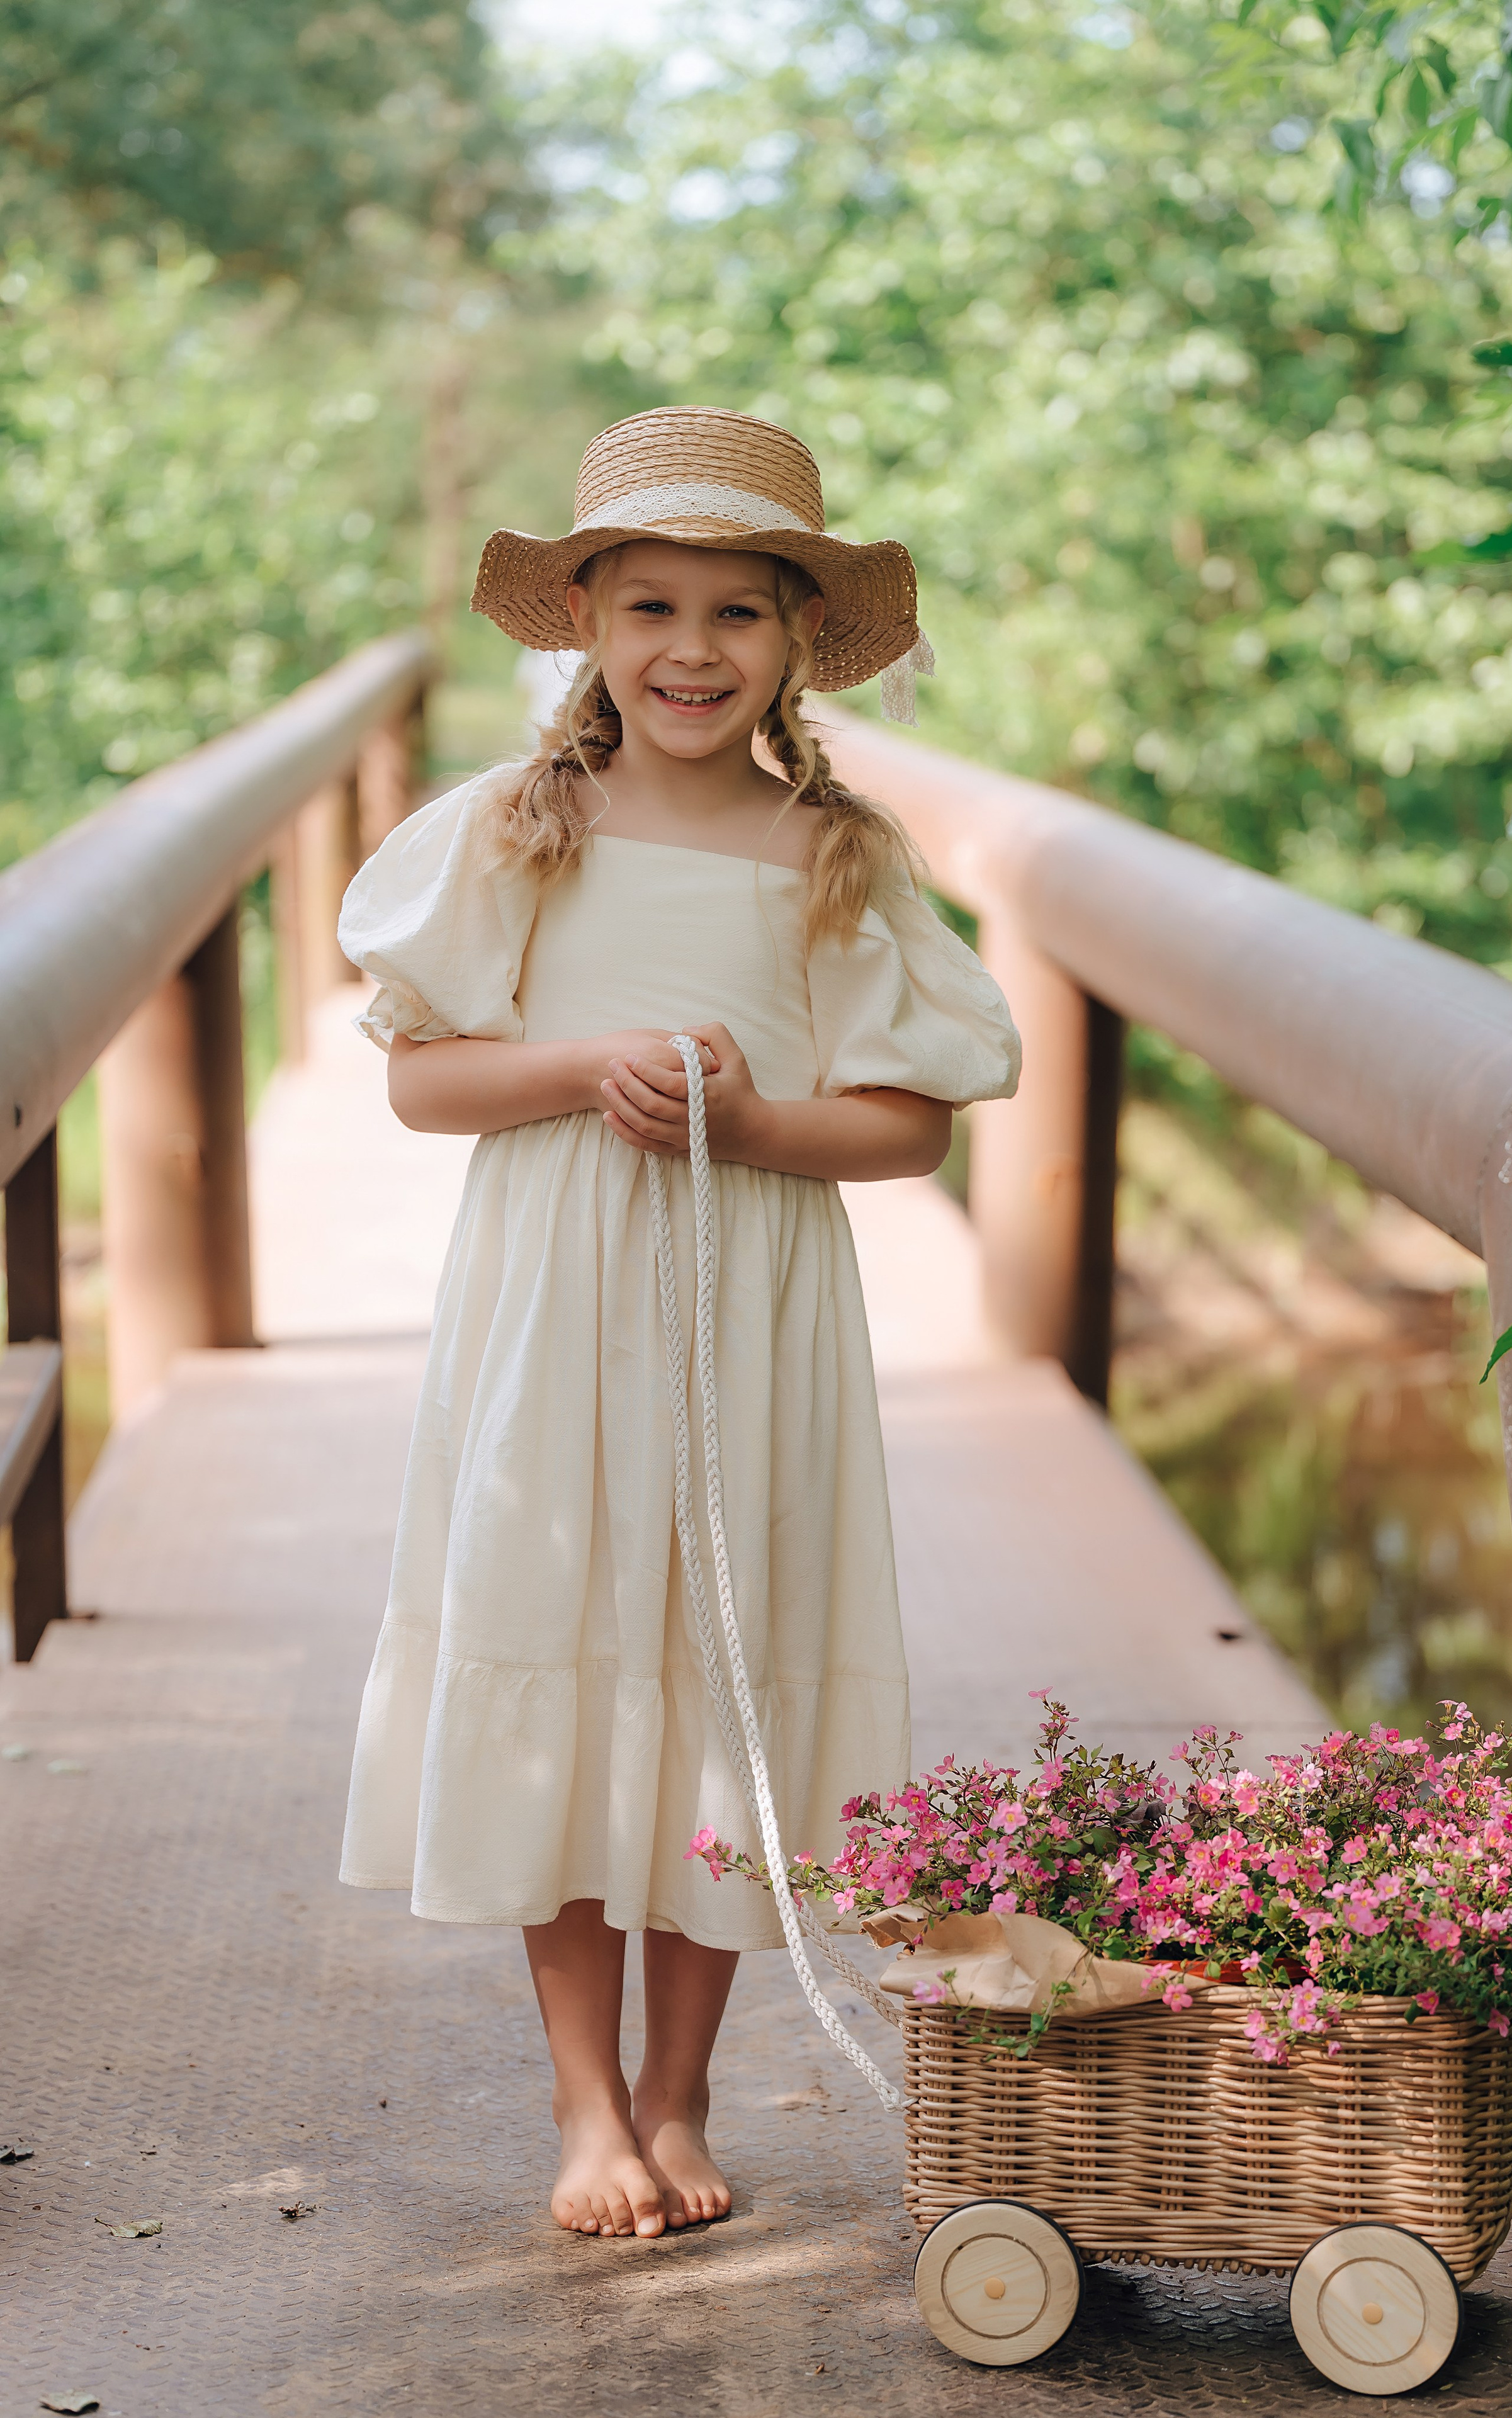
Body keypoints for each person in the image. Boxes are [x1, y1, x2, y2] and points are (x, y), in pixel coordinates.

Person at [336, 406, 1021, 2241]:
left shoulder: (834, 857)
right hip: (557, 1310)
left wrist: (762, 1111)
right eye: (650, 605)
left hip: (751, 1306)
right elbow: (420, 1084)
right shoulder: (513, 828)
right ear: (585, 623)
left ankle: (677, 2084)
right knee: (564, 1642)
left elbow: (913, 1117)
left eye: (739, 610)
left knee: (728, 1665)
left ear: (800, 635)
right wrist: (581, 1065)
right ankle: (581, 2103)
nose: (692, 650)